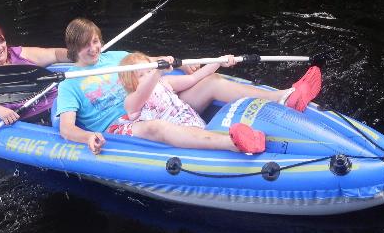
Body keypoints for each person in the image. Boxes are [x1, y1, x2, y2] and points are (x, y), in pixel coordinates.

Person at [57, 18, 321, 154]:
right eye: (87, 44)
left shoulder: (116, 56)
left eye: (96, 41)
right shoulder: (69, 83)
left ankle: (282, 98)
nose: (94, 48)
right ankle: (233, 142)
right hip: (122, 124)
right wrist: (87, 137)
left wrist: (186, 64)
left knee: (211, 82)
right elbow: (67, 129)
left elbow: (154, 64)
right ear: (74, 48)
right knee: (157, 127)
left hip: (154, 101)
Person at [110, 52, 264, 152]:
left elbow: (194, 78)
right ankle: (233, 144)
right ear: (130, 83)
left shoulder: (165, 81)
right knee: (200, 137)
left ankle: (248, 137)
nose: (148, 75)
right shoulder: (131, 101)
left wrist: (218, 62)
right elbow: (144, 91)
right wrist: (157, 71)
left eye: (149, 71)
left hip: (188, 120)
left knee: (201, 131)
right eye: (141, 75)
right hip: (173, 132)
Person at [0, 22, 71, 131]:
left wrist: (80, 55)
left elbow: (56, 54)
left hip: (61, 104)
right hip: (36, 123)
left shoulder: (17, 54)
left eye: (1, 41)